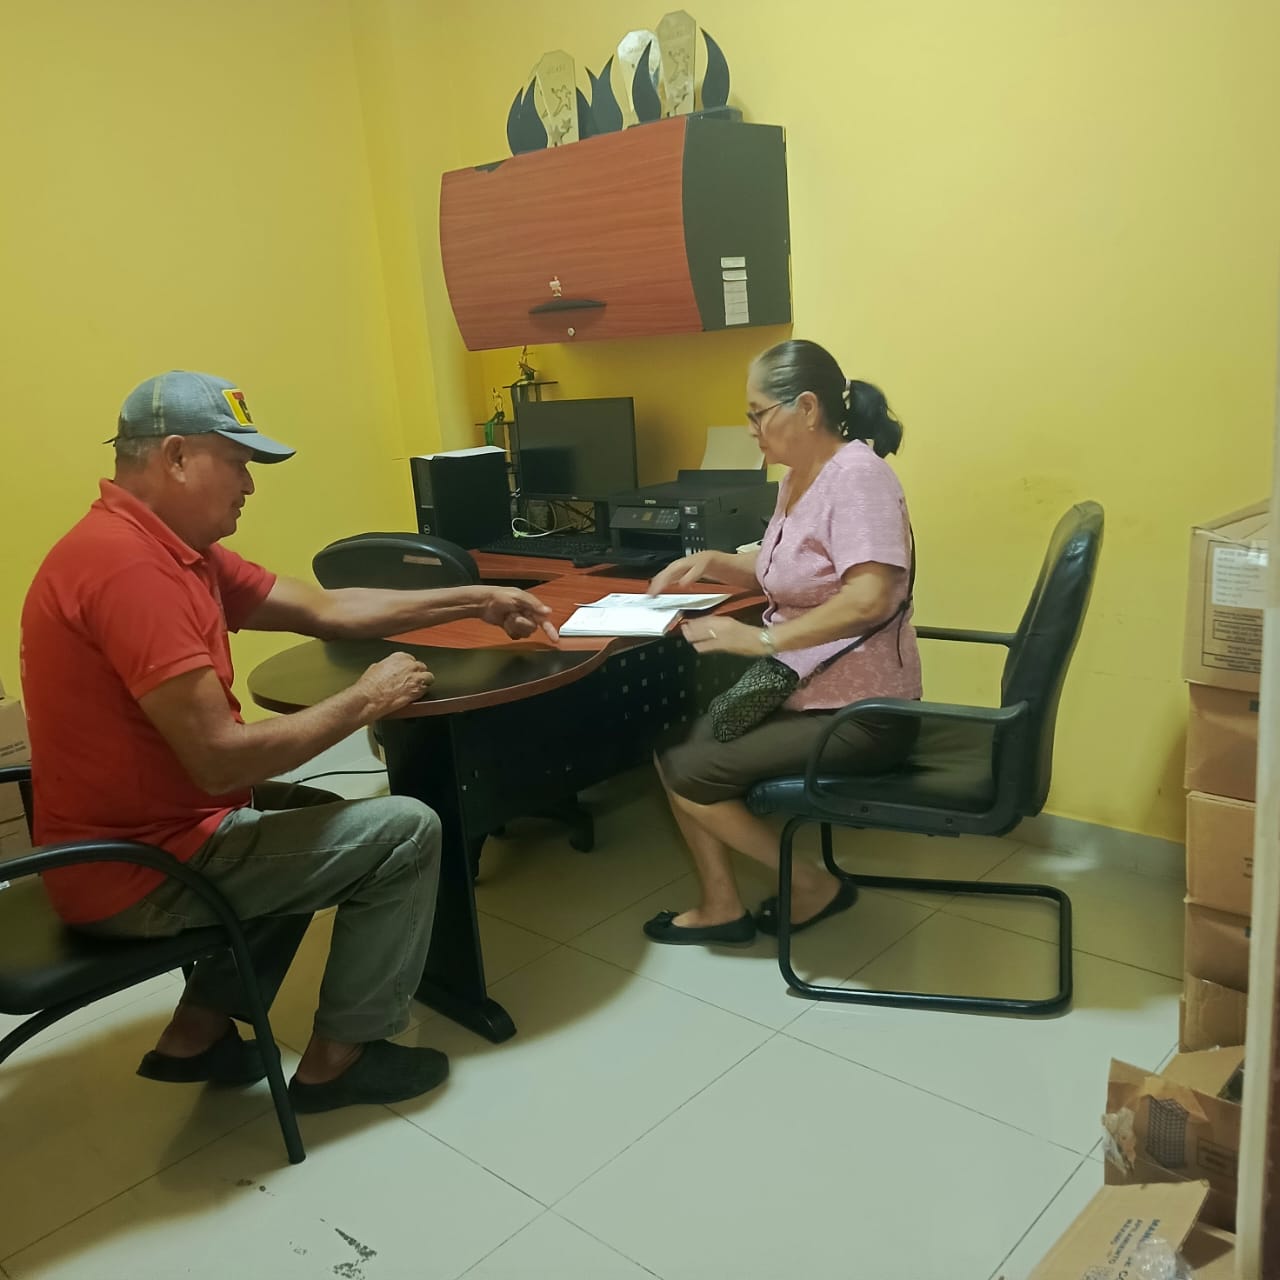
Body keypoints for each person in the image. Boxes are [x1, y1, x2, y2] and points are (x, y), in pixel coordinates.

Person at [20, 370, 559, 1112]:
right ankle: (343, 1059)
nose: (249, 485)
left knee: (310, 816)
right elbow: (218, 761)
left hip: (133, 838)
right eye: (237, 463)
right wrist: (365, 700)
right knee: (405, 830)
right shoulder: (130, 570)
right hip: (138, 872)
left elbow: (328, 610)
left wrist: (476, 597)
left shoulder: (169, 548)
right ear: (175, 456)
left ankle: (198, 1031)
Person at [643, 339, 920, 946]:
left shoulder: (858, 477)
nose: (752, 430)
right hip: (806, 691)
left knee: (687, 768)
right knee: (676, 747)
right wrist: (714, 561)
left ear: (808, 408)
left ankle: (812, 885)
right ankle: (722, 904)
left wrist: (763, 638)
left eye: (758, 414)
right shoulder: (798, 478)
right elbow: (791, 573)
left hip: (861, 712)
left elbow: (871, 597)